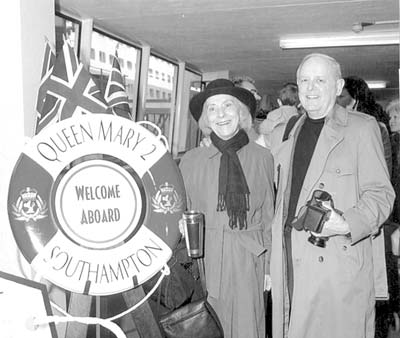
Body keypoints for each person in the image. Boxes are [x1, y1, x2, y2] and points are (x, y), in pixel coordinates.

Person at [270, 53, 395, 338]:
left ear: (338, 87)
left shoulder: (363, 127)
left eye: (319, 80)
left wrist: (347, 223)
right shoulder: (286, 131)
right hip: (290, 260)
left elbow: (381, 194)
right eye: (304, 80)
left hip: (337, 262)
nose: (310, 88)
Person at [179, 78, 275, 338]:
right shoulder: (190, 161)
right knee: (205, 328)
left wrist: (269, 268)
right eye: (212, 108)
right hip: (205, 261)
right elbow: (180, 211)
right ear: (205, 119)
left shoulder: (263, 158)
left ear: (241, 112)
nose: (220, 114)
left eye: (227, 106)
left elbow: (269, 216)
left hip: (250, 260)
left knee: (248, 328)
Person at [337, 76, 392, 174]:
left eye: (341, 97)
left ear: (356, 99)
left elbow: (383, 171)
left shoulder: (377, 128)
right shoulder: (334, 126)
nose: (337, 102)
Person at [258, 82, 300, 150]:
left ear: (279, 102)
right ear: (299, 104)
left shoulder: (273, 115)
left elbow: (262, 129)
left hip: (273, 151)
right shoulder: (300, 117)